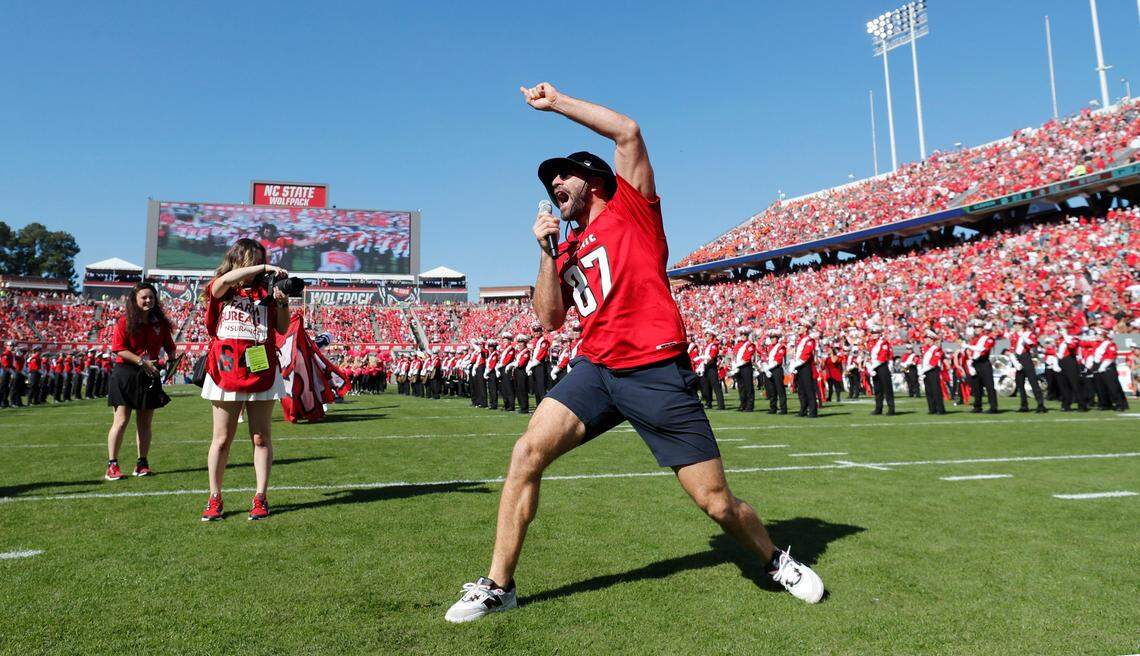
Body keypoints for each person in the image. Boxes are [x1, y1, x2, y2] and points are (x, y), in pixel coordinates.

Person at [445, 83, 823, 623]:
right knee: (525, 453)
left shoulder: (632, 210)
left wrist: (557, 105)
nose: (554, 182)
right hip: (596, 369)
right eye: (550, 179)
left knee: (717, 503)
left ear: (595, 180)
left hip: (654, 371)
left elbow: (629, 131)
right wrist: (547, 254)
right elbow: (549, 319)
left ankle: (773, 559)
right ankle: (498, 584)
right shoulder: (567, 245)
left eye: (563, 174)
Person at [199, 238, 290, 522]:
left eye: (261, 261)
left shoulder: (266, 291)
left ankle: (260, 496)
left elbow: (282, 327)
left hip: (260, 365)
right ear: (239, 260)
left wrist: (283, 303)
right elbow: (220, 284)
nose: (259, 268)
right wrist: (262, 266)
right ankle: (215, 497)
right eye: (253, 261)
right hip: (226, 366)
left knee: (261, 437)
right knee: (222, 439)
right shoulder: (223, 286)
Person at [104, 282, 177, 480]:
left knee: (145, 424)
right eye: (144, 297)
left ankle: (142, 463)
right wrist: (141, 361)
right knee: (121, 421)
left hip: (149, 375)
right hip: (126, 374)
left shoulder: (159, 323)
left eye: (151, 297)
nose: (148, 300)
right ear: (135, 300)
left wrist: (172, 358)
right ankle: (112, 465)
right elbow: (118, 348)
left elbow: (170, 346)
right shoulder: (124, 321)